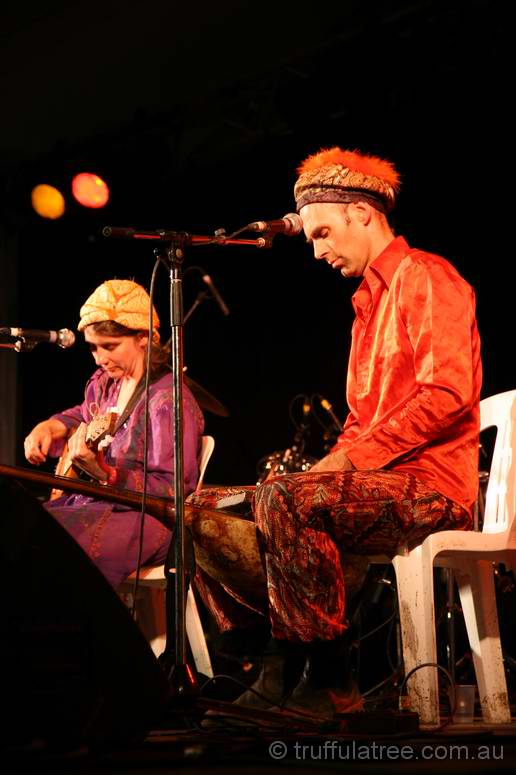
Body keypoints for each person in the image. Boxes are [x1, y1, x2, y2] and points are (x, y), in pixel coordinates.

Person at [190, 146, 482, 720]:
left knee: (286, 499)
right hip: (377, 484)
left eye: (323, 233)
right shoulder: (364, 308)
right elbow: (359, 418)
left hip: (431, 487)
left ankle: (330, 684)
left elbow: (448, 393)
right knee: (202, 507)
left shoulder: (427, 276)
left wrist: (348, 464)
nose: (318, 251)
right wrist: (335, 460)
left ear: (363, 213)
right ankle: (269, 667)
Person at [24, 279, 204, 588]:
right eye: (93, 347)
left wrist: (107, 475)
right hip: (95, 504)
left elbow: (175, 491)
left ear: (144, 337)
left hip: (148, 520)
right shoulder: (106, 383)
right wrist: (53, 425)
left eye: (110, 346)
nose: (99, 358)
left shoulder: (169, 402)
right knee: (24, 528)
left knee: (59, 550)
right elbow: (85, 414)